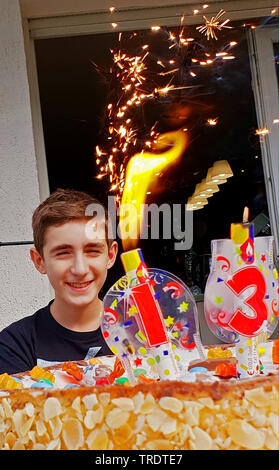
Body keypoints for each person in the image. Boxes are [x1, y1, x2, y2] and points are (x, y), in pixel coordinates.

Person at [0, 188, 118, 374]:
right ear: (40, 261)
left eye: (92, 250)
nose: (80, 269)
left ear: (110, 255)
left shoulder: (140, 335)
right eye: (63, 253)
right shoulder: (13, 345)